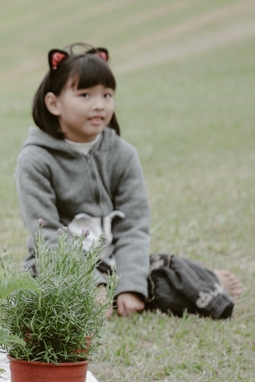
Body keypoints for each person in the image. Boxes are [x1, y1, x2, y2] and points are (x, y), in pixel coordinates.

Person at [15, 43, 241, 319]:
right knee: (45, 299)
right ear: (54, 103)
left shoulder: (123, 154)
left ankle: (199, 280)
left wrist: (130, 286)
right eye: (85, 94)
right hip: (56, 265)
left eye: (107, 95)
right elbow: (46, 235)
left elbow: (134, 226)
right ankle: (191, 282)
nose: (99, 104)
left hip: (112, 261)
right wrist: (91, 285)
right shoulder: (35, 160)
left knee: (154, 273)